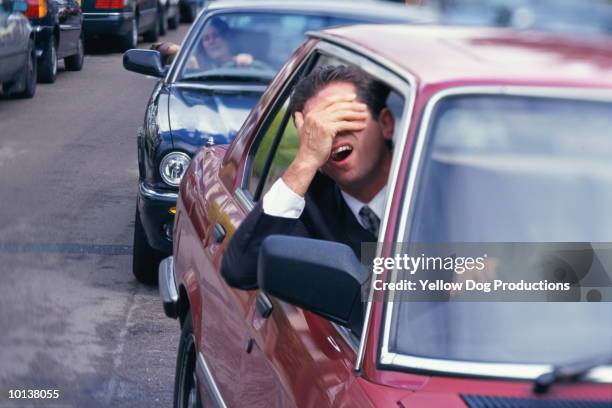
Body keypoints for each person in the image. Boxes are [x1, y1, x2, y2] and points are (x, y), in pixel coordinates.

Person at [221, 65, 395, 289]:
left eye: (344, 117)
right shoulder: (307, 208)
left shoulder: (441, 189)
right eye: (318, 128)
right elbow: (240, 270)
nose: (332, 133)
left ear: (386, 124)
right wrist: (306, 161)